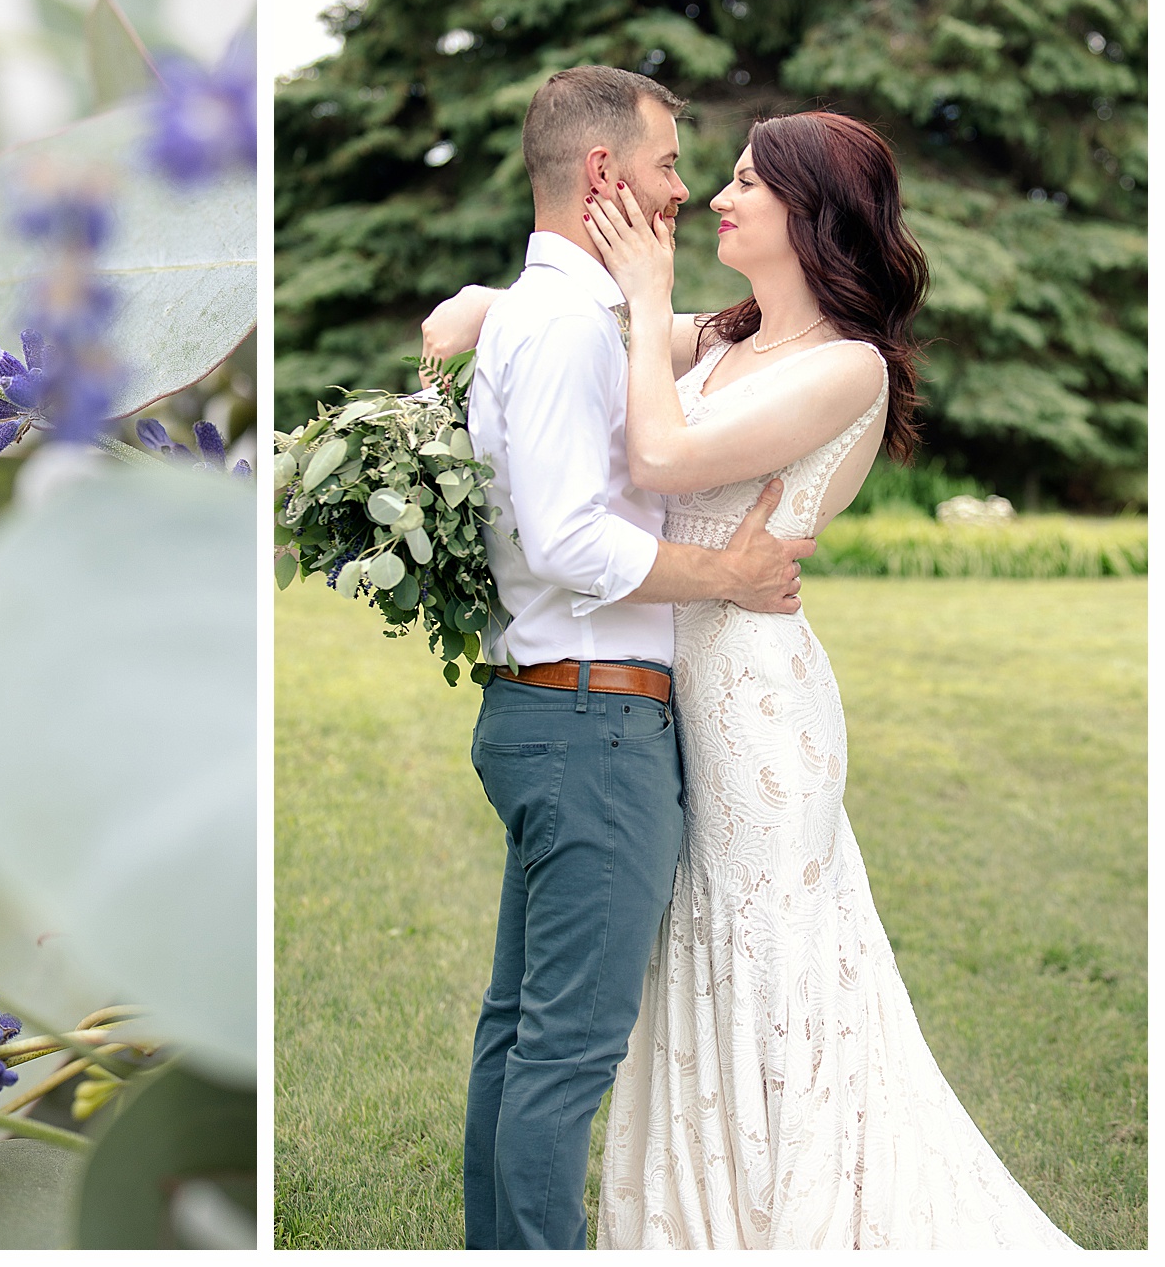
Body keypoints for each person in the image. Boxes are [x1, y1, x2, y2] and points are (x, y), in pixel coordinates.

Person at [424, 106, 1078, 1249]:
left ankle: (792, 1211)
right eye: (707, 174)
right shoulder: (723, 340)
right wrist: (491, 306)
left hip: (759, 710)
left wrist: (640, 297)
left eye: (742, 182)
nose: (713, 198)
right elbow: (520, 320)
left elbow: (663, 453)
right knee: (687, 961)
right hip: (672, 690)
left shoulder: (845, 368)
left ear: (811, 213)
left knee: (773, 956)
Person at [452, 65, 814, 1252]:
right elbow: (564, 538)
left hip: (557, 713)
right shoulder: (560, 325)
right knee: (563, 1051)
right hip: (595, 724)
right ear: (604, 173)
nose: (685, 189)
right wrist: (728, 577)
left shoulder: (558, 313)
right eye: (669, 163)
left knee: (518, 1033)